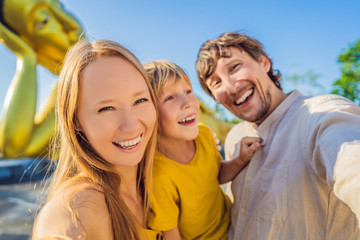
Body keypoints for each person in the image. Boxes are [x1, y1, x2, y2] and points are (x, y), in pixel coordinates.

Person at [196, 31, 360, 239]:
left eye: (235, 67)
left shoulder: (321, 116)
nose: (230, 87)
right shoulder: (234, 137)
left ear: (264, 63)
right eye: (216, 83)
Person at [31, 39, 163, 240]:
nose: (132, 125)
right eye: (107, 108)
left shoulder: (160, 180)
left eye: (140, 100)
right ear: (75, 121)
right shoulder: (78, 209)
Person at [143, 60, 261, 240]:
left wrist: (240, 160)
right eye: (169, 98)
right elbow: (171, 234)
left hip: (234, 225)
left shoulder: (204, 135)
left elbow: (215, 175)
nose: (187, 102)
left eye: (188, 91)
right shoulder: (158, 176)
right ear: (150, 113)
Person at [0, 0, 83, 158]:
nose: (71, 24)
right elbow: (14, 149)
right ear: (26, 41)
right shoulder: (66, 93)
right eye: (43, 20)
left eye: (59, 7)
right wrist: (26, 60)